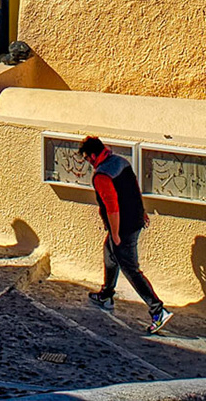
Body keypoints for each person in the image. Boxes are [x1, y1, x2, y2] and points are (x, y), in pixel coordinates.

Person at [80, 136, 173, 334]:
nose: (88, 162)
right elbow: (134, 188)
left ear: (93, 156)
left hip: (123, 227)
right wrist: (142, 211)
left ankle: (158, 310)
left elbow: (112, 207)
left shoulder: (102, 176)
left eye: (87, 158)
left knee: (130, 268)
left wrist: (115, 234)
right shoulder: (121, 162)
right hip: (135, 219)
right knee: (109, 255)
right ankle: (106, 295)